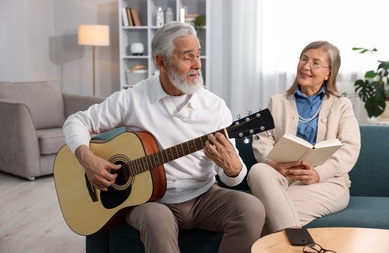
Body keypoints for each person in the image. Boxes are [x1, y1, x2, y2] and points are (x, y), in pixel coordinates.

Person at [63, 21, 265, 253]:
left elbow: (232, 179)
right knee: (156, 219)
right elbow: (76, 121)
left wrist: (231, 169)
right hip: (151, 202)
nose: (197, 65)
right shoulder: (133, 98)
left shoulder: (215, 107)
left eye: (198, 55)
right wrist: (87, 159)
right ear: (161, 61)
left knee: (252, 208)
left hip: (203, 197)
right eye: (187, 57)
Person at [247, 41, 361, 234]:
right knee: (258, 170)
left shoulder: (341, 105)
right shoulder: (277, 102)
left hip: (327, 182)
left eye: (316, 63)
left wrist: (318, 174)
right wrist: (275, 165)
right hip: (281, 177)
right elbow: (263, 141)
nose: (306, 66)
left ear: (329, 73)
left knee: (266, 216)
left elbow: (349, 149)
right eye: (304, 59)